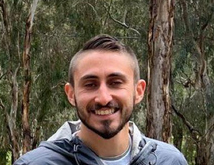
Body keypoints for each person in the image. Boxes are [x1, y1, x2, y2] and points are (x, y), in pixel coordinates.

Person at [14, 34, 187, 165]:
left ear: (138, 91)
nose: (103, 98)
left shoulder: (169, 160)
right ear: (71, 94)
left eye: (115, 83)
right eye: (90, 84)